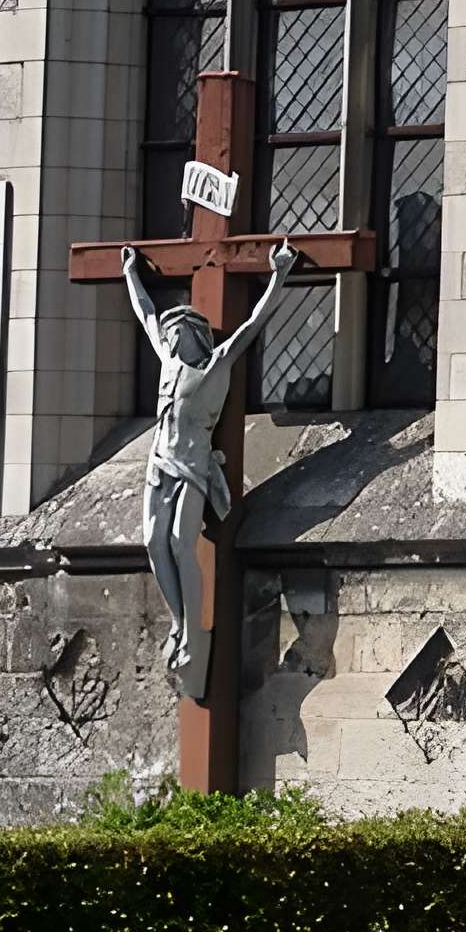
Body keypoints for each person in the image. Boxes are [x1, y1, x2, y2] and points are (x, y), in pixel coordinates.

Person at [122, 242, 303, 696]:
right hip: (159, 463)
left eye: (175, 334)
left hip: (193, 467)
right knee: (152, 541)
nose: (167, 339)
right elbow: (145, 315)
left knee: (182, 544)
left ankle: (194, 633)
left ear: (193, 335)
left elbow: (252, 325)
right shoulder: (167, 364)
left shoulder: (215, 365)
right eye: (167, 336)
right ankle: (178, 621)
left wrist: (278, 274)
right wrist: (130, 273)